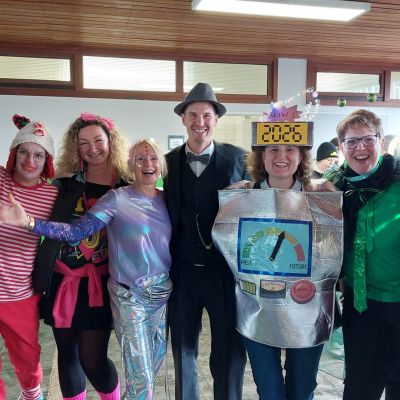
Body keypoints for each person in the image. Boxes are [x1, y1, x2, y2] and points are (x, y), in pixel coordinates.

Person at [0, 138, 172, 400]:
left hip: (163, 295)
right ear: (130, 164)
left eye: (153, 158)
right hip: (129, 295)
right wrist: (30, 222)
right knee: (141, 375)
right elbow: (76, 232)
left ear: (161, 164)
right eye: (140, 158)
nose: (147, 163)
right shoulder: (116, 198)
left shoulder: (169, 200)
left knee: (153, 367)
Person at [228, 126, 339, 400]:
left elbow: (334, 250)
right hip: (258, 310)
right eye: (273, 149)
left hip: (307, 311)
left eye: (290, 149)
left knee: (303, 389)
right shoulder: (241, 198)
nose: (282, 156)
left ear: (301, 156)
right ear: (262, 156)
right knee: (269, 391)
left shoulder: (321, 197)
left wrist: (332, 204)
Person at [32, 113, 130, 400]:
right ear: (75, 146)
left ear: (111, 141)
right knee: (67, 355)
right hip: (62, 280)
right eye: (83, 142)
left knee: (93, 360)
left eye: (98, 140)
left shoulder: (126, 185)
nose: (92, 148)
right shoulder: (64, 182)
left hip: (102, 284)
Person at [164, 82, 247, 400]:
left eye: (207, 115)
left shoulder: (238, 158)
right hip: (182, 271)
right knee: (183, 349)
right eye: (193, 115)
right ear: (183, 119)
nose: (200, 122)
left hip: (225, 272)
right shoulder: (167, 162)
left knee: (228, 351)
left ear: (216, 120)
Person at [326, 109, 400, 400]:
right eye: (352, 141)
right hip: (361, 305)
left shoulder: (398, 180)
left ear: (380, 141)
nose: (361, 148)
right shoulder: (332, 187)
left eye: (368, 139)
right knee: (360, 387)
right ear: (341, 146)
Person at [0, 115, 58, 400]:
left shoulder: (52, 195)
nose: (30, 160)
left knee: (28, 358)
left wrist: (27, 222)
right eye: (24, 152)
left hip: (19, 293)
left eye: (38, 154)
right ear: (14, 153)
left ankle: (31, 394)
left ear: (47, 160)